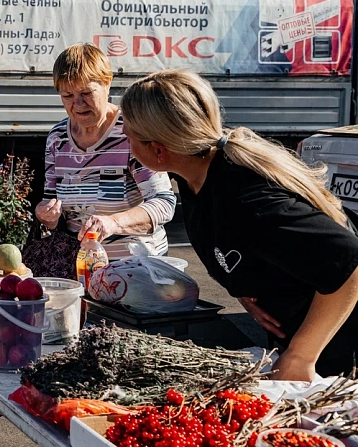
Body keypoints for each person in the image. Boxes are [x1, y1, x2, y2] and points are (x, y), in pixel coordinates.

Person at [121, 70, 358, 380]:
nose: (126, 146)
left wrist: (301, 356)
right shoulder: (196, 179)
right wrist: (244, 287)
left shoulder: (246, 198)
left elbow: (350, 264)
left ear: (158, 149)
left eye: (128, 137)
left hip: (339, 349)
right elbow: (236, 244)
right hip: (298, 335)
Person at [34, 43, 175, 258]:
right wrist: (48, 217)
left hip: (137, 267)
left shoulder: (131, 133)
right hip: (83, 267)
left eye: (86, 92)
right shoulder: (57, 138)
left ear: (107, 84)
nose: (78, 103)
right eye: (67, 96)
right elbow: (54, 206)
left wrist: (112, 223)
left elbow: (164, 203)